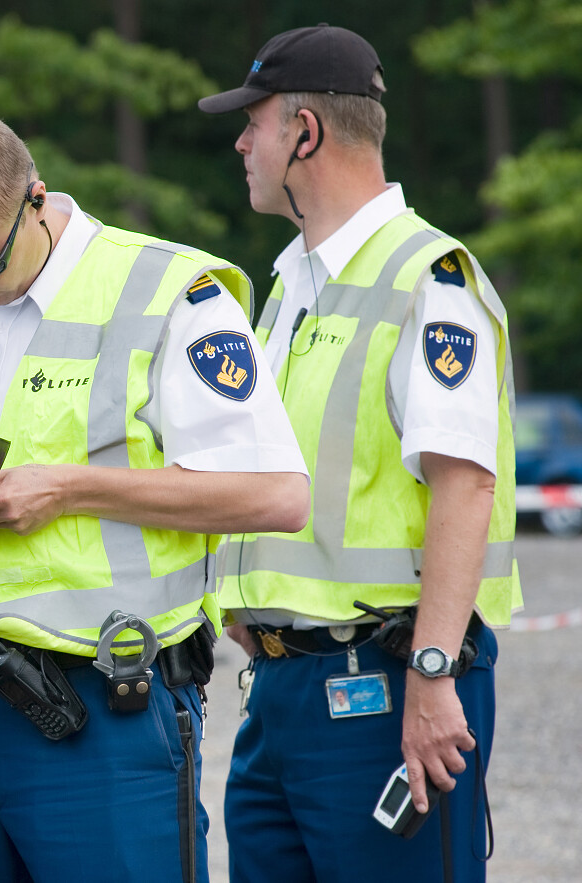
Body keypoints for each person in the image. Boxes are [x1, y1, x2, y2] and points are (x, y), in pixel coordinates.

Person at [0, 102, 309, 883]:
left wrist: (69, 488)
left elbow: (276, 495)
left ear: (36, 199)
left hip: (105, 716)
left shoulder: (166, 290)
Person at [199, 24, 521, 883]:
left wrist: (431, 672)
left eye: (254, 122)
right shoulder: (290, 287)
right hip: (281, 691)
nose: (240, 142)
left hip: (387, 682)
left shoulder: (428, 278)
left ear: (305, 132)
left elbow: (466, 484)